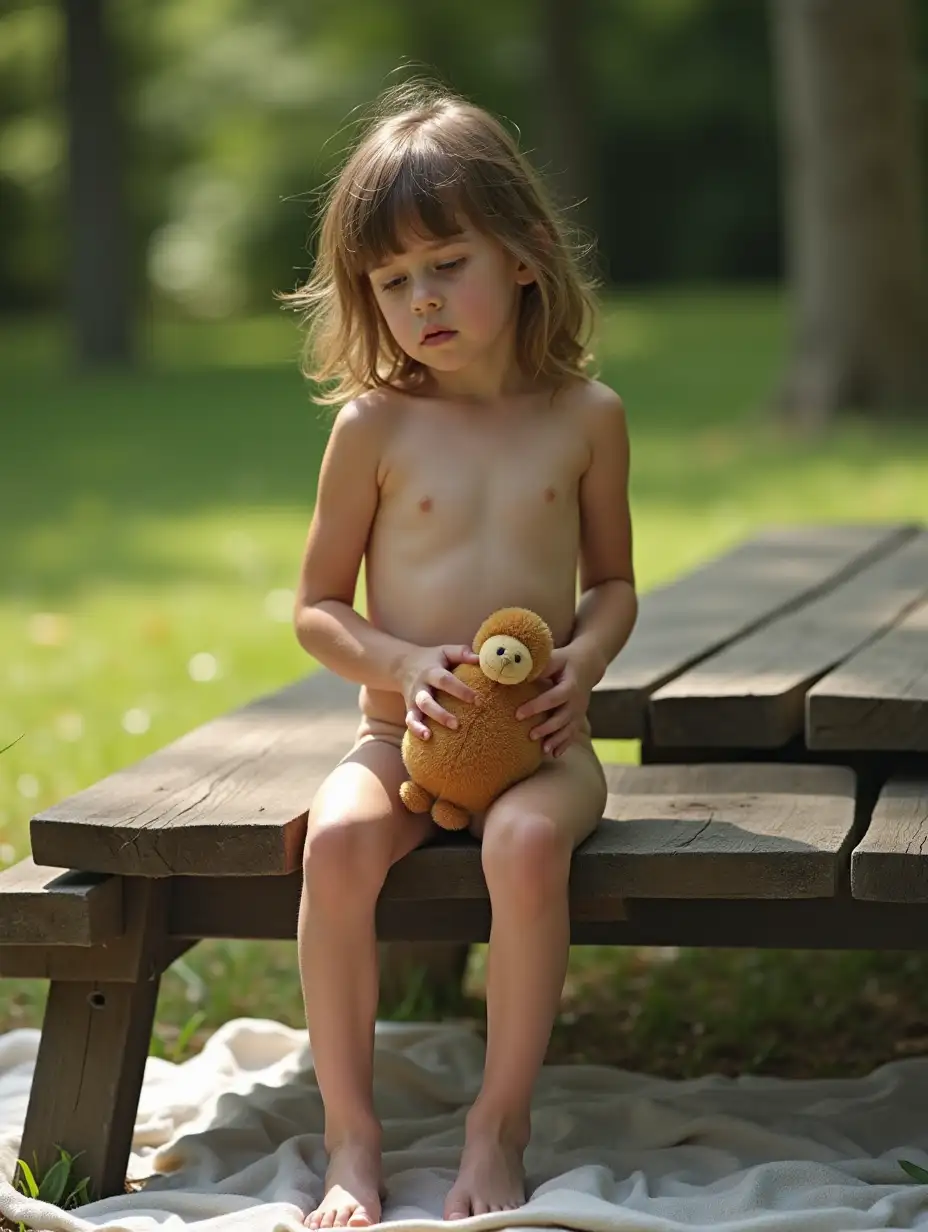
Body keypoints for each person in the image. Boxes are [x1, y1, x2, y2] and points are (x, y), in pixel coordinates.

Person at [282, 78, 637, 1229]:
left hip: (541, 744)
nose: (420, 298)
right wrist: (397, 665)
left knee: (528, 843)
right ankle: (352, 1133)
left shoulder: (585, 416)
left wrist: (580, 664)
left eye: (447, 263)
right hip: (402, 736)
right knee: (335, 840)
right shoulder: (373, 428)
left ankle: (498, 1120)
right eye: (391, 282)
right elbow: (317, 608)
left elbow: (614, 585)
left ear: (525, 256)